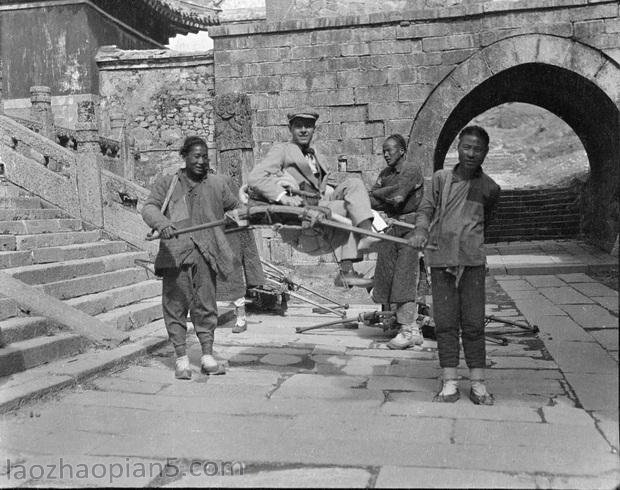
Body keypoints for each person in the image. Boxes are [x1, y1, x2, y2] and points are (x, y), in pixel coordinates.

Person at [409, 125, 500, 405]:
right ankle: (449, 382)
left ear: (485, 153)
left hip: (471, 263)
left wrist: (468, 242)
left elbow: (489, 223)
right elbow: (425, 209)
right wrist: (421, 231)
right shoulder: (439, 179)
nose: (471, 153)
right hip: (441, 260)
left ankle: (478, 384)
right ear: (458, 148)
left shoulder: (490, 188)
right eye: (467, 147)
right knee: (446, 323)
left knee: (474, 324)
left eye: (478, 149)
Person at [142, 136, 237, 379]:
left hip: (207, 255)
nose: (201, 161)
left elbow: (234, 207)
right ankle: (181, 358)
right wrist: (162, 223)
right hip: (175, 255)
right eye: (196, 156)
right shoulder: (168, 183)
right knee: (175, 306)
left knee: (206, 306)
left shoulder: (217, 184)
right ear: (184, 157)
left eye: (205, 156)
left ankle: (207, 355)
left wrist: (234, 217)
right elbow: (149, 207)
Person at [247, 110, 378, 287]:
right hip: (302, 223)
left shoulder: (316, 154)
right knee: (347, 207)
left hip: (320, 208)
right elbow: (255, 177)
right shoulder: (282, 150)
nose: (303, 130)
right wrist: (283, 197)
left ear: (314, 129)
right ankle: (347, 269)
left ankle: (366, 235)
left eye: (308, 126)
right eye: (298, 126)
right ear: (290, 129)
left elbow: (321, 190)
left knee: (354, 184)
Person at [369, 134, 425, 350]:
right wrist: (380, 196)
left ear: (401, 150)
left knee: (404, 278)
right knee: (386, 276)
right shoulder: (385, 173)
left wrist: (377, 194)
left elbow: (399, 197)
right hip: (391, 229)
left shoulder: (411, 169)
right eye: (383, 150)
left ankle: (409, 330)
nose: (385, 154)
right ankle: (404, 325)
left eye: (389, 150)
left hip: (410, 230)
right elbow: (374, 200)